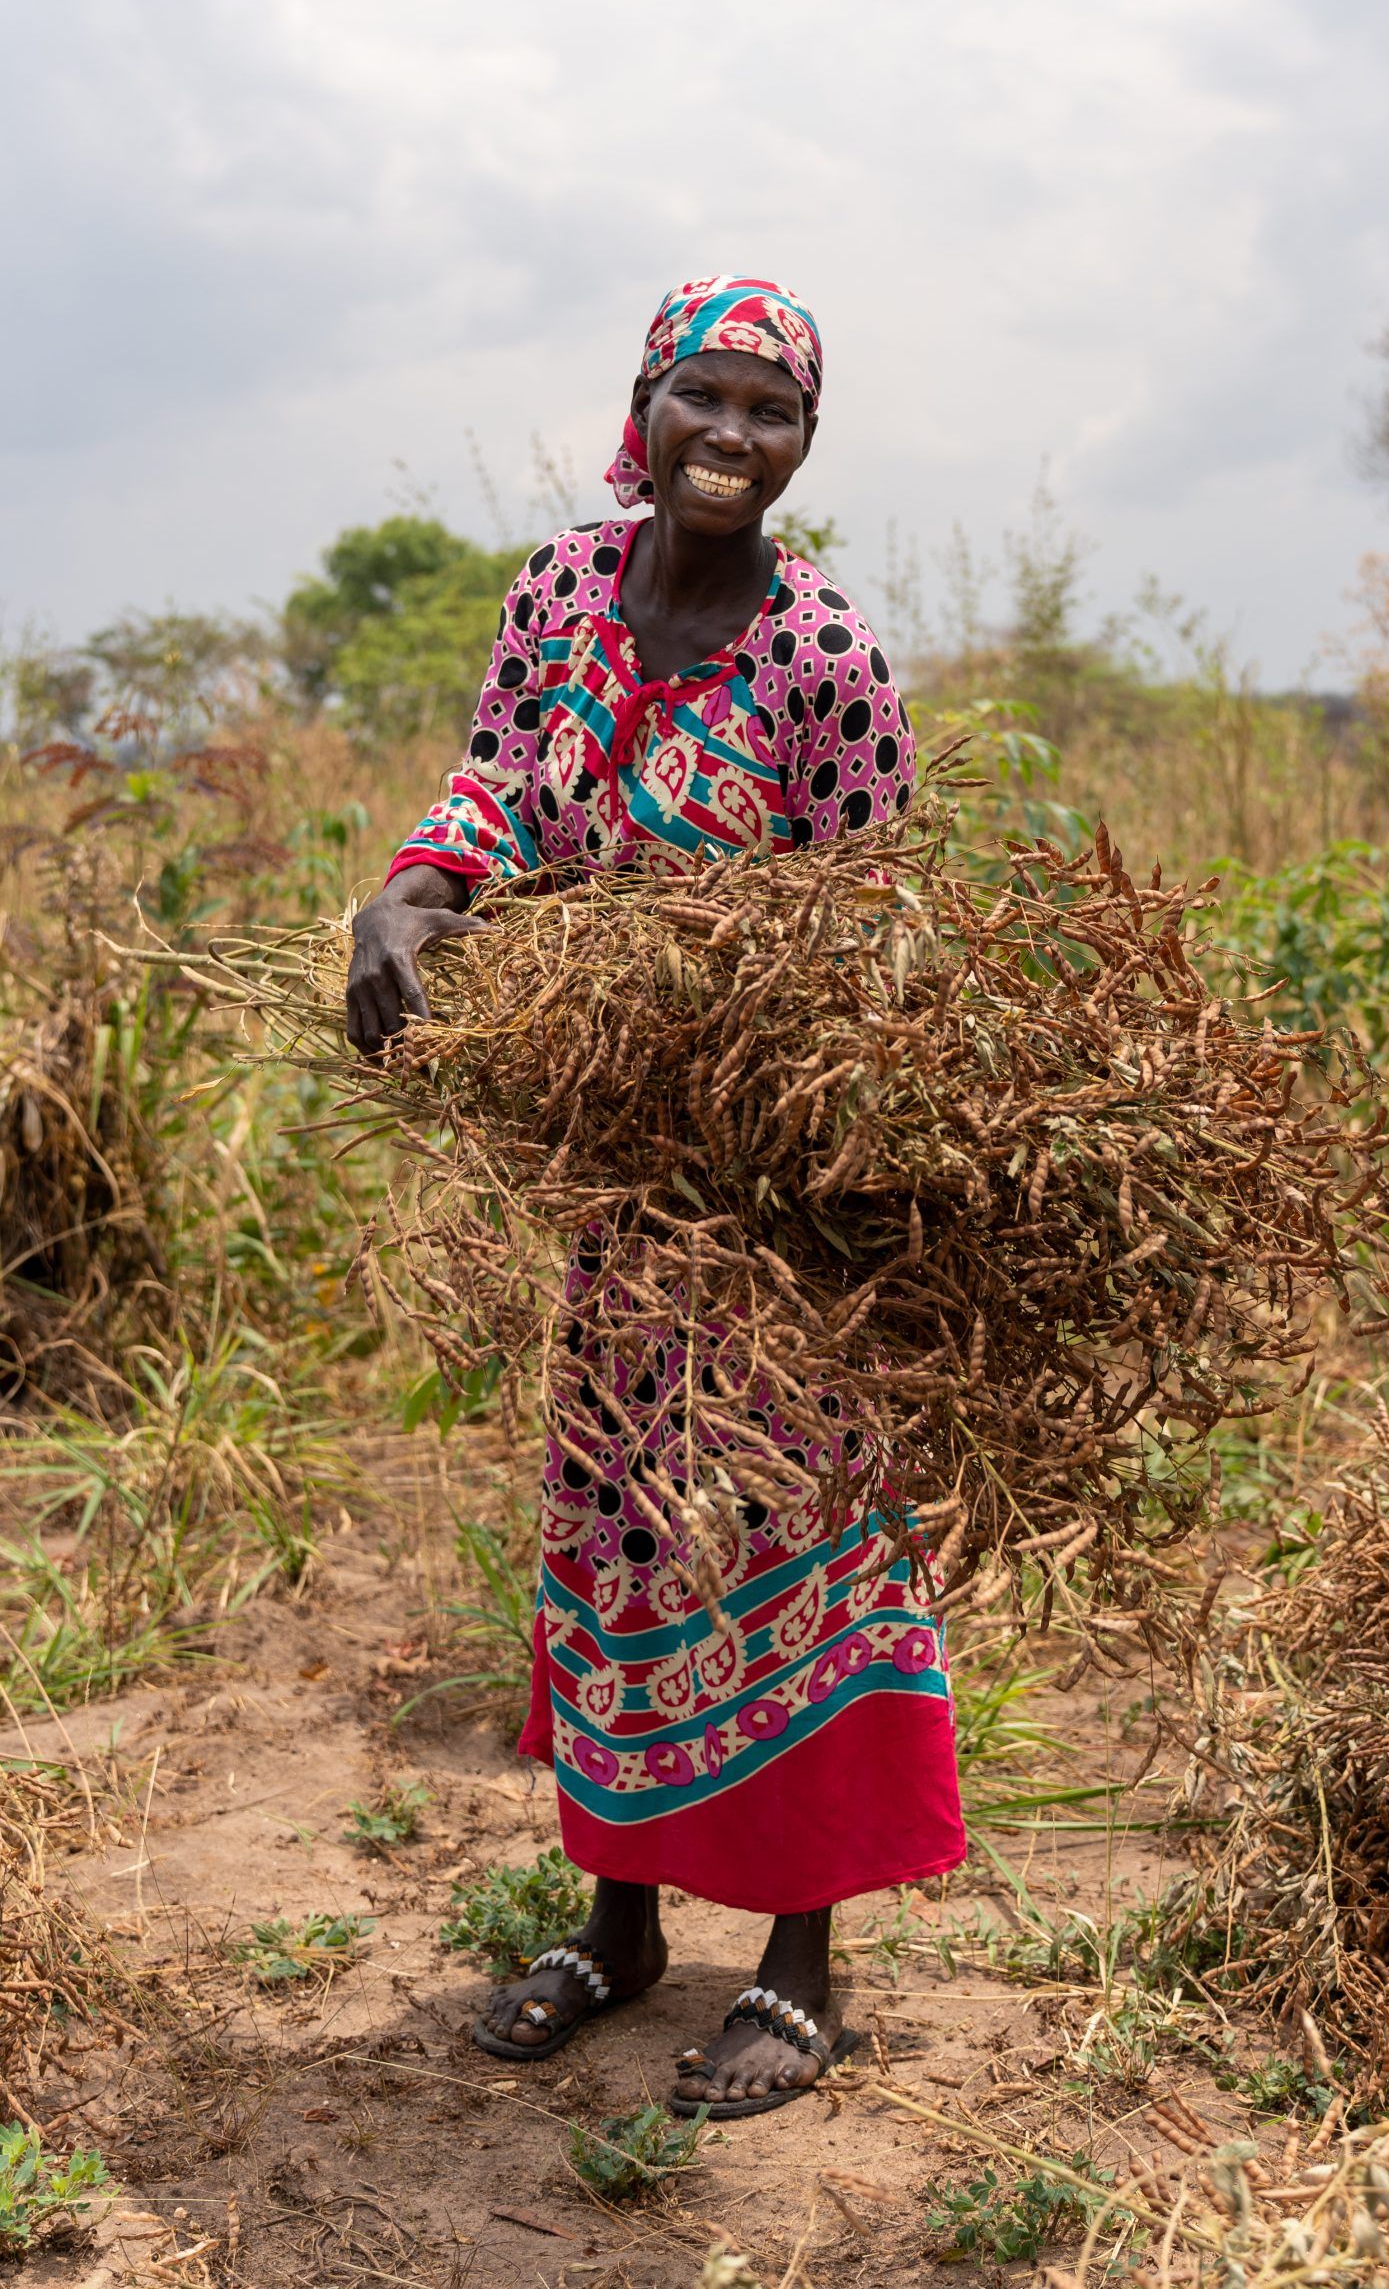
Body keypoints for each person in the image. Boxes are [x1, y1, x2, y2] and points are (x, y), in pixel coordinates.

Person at [345, 276, 966, 2118]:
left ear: (804, 446)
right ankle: (618, 1927)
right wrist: (404, 904)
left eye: (772, 413)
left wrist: (787, 1101)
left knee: (789, 1547)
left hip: (773, 1204)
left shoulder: (824, 654)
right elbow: (491, 794)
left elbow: (878, 930)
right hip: (616, 1200)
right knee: (618, 1534)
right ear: (644, 400)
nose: (732, 435)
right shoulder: (558, 591)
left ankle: (798, 1968)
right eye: (706, 395)